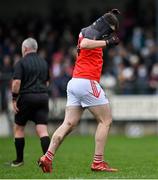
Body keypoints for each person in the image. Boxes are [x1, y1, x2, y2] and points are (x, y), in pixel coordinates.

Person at [38, 9, 120, 173]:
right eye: (110, 30)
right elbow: (85, 44)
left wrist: (110, 15)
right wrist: (108, 42)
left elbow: (93, 33)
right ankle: (98, 162)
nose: (109, 34)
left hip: (75, 82)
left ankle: (47, 157)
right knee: (106, 121)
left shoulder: (87, 30)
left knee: (68, 124)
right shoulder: (92, 33)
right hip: (87, 82)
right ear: (105, 26)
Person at [11, 38, 50, 167]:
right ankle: (47, 161)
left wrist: (14, 98)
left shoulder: (21, 63)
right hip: (43, 97)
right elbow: (47, 82)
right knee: (42, 130)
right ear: (36, 48)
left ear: (25, 48)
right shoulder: (44, 62)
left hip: (27, 97)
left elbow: (16, 82)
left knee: (19, 128)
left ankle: (19, 160)